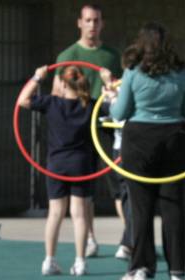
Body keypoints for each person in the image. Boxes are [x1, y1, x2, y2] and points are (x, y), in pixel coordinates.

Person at [110, 22, 185, 280]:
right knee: (173, 205)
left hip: (139, 140)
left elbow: (120, 113)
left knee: (141, 208)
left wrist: (114, 98)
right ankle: (177, 271)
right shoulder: (182, 72)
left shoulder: (133, 72)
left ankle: (140, 269)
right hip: (174, 139)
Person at [20, 64, 115, 276]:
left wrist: (37, 77)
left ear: (62, 83)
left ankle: (49, 260)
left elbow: (22, 101)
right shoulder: (91, 104)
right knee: (79, 214)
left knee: (55, 213)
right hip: (82, 165)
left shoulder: (52, 103)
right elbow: (118, 109)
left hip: (57, 165)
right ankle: (80, 262)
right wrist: (109, 83)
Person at [55, 3, 127, 260]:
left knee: (120, 185)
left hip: (107, 126)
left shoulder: (111, 55)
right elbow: (56, 94)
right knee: (83, 190)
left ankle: (128, 240)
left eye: (96, 20)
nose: (92, 25)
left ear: (102, 23)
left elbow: (121, 90)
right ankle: (89, 239)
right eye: (88, 20)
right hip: (80, 130)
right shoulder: (67, 55)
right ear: (79, 23)